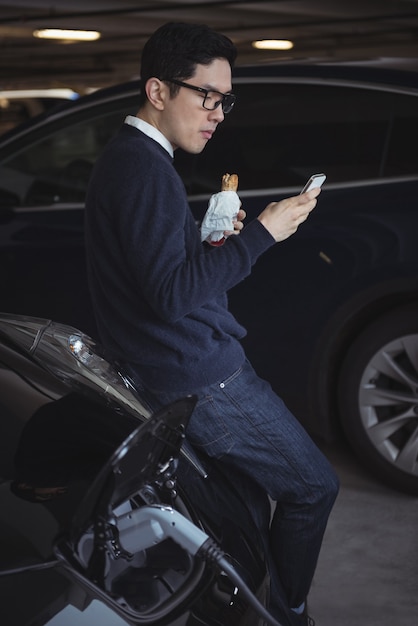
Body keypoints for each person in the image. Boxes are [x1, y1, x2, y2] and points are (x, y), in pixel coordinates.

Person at [84, 21, 339, 626]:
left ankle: (241, 606)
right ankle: (287, 613)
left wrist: (211, 242)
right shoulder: (144, 170)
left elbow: (162, 277)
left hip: (184, 367)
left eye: (225, 99)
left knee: (246, 503)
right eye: (206, 95)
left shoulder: (135, 163)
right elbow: (170, 299)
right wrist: (262, 234)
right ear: (157, 91)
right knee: (313, 488)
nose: (218, 112)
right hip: (201, 376)